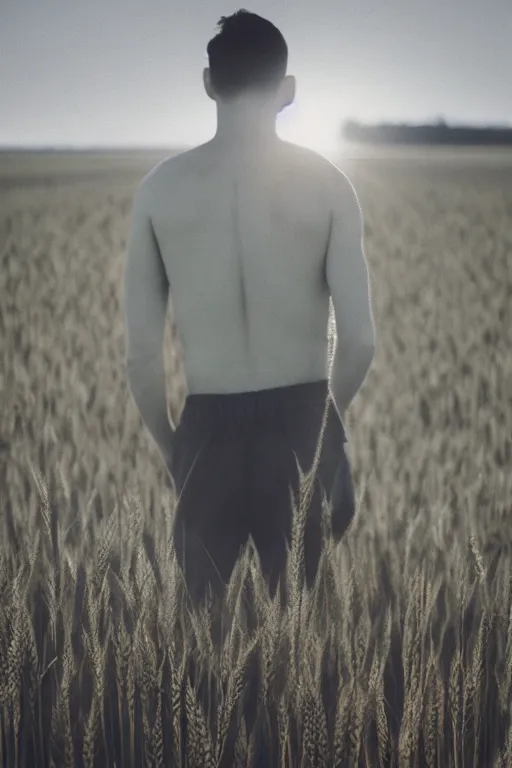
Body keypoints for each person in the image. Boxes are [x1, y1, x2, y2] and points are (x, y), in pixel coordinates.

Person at [123, 10, 375, 620]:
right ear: (288, 91)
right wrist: (324, 428)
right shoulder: (329, 184)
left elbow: (141, 355)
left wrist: (174, 449)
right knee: (301, 646)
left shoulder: (159, 190)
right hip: (301, 419)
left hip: (206, 426)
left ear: (208, 82)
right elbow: (361, 341)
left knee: (204, 656)